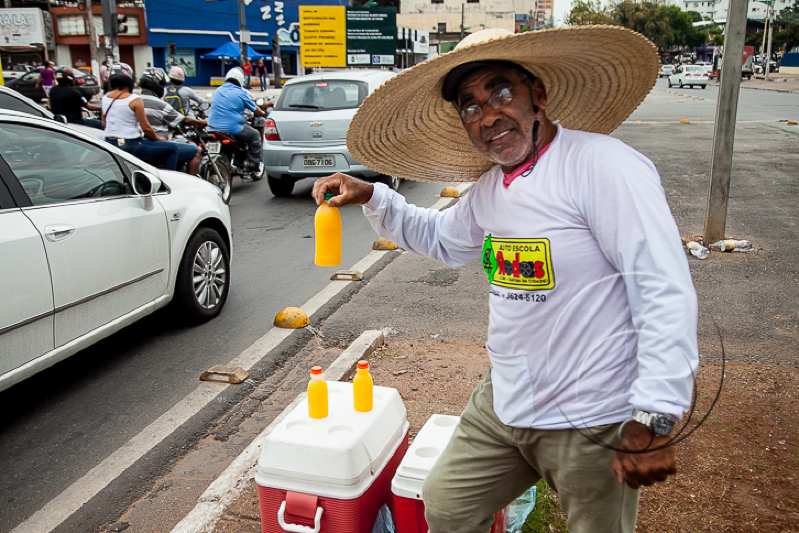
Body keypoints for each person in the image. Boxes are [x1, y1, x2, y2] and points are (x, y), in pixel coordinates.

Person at [311, 27, 699, 533]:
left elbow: (661, 286)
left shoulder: (603, 166)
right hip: (507, 397)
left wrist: (656, 412)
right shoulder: (491, 189)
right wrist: (373, 195)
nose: (488, 115)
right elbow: (443, 238)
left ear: (537, 95)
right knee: (447, 506)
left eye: (500, 91)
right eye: (470, 106)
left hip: (593, 409)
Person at [102, 73, 182, 170]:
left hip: (110, 142)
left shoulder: (105, 98)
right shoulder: (134, 99)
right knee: (172, 148)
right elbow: (146, 128)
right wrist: (158, 138)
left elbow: (104, 123)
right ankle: (168, 177)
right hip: (130, 144)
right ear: (128, 85)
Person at [138, 68, 208, 175]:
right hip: (159, 142)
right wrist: (203, 122)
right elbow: (184, 119)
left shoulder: (133, 101)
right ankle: (191, 182)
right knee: (196, 150)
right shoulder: (161, 104)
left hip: (140, 144)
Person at [207, 67, 265, 172]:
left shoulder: (218, 90)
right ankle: (254, 164)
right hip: (232, 128)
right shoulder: (241, 93)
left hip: (212, 127)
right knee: (255, 135)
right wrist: (263, 113)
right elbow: (256, 110)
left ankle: (235, 161)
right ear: (241, 80)